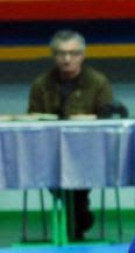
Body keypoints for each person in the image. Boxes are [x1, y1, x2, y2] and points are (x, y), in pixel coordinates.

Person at [28, 30, 113, 241]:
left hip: (88, 153)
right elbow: (32, 119)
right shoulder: (41, 84)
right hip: (49, 154)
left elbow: (108, 117)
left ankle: (77, 217)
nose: (67, 59)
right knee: (58, 180)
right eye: (61, 53)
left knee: (77, 184)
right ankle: (79, 217)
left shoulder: (98, 82)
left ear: (82, 55)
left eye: (73, 54)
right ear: (54, 56)